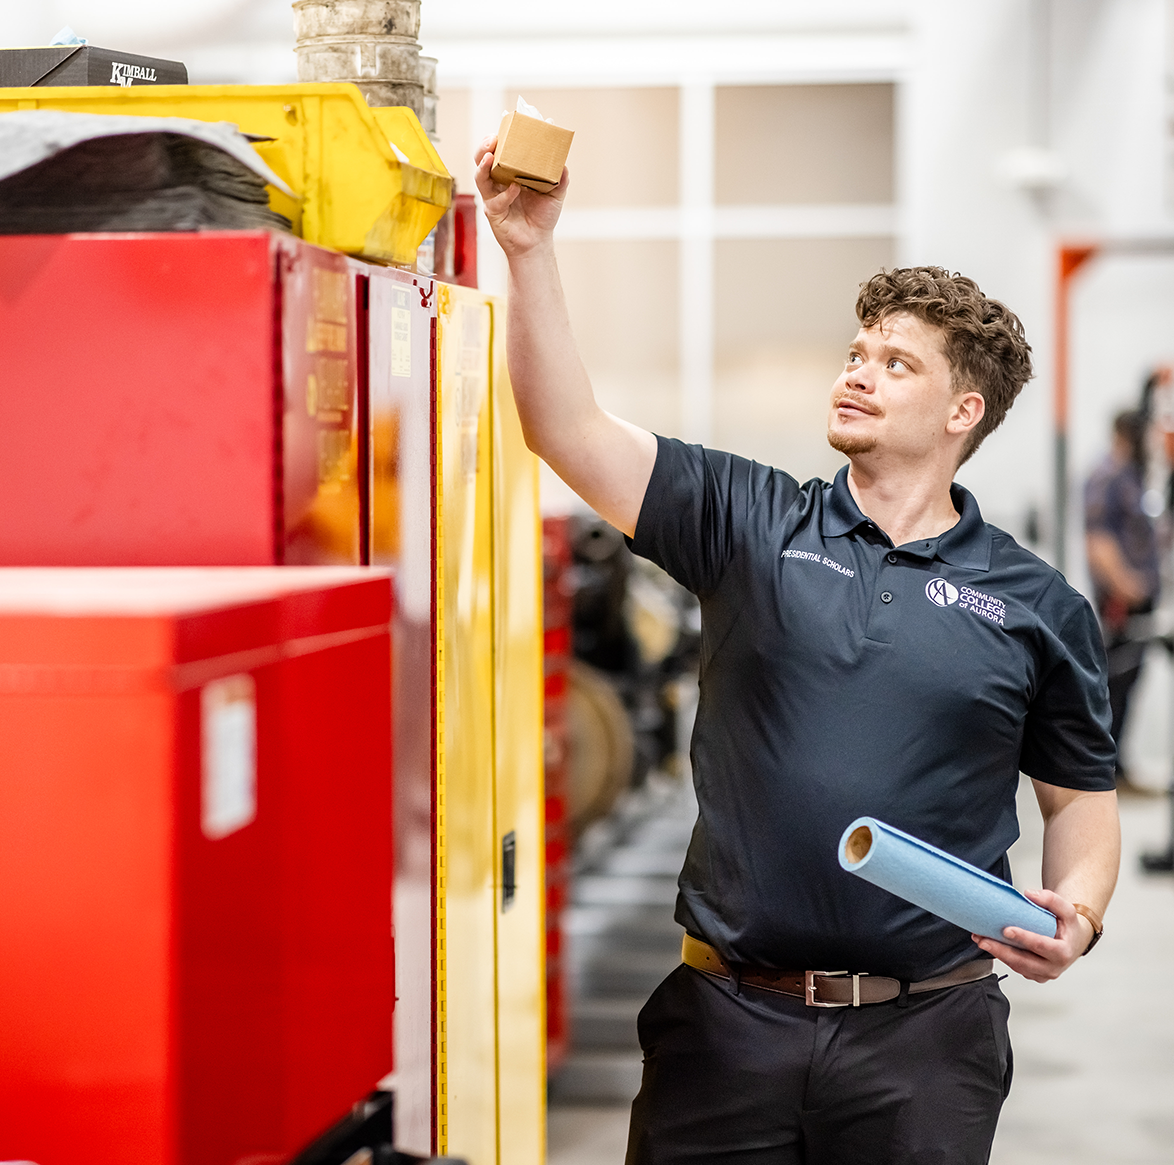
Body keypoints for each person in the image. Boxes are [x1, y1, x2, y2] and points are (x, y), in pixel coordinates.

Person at [474, 138, 1121, 1164]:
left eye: (894, 363)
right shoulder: (748, 519)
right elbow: (564, 428)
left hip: (925, 1036)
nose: (857, 373)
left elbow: (1078, 801)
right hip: (727, 1021)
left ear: (964, 413)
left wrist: (1074, 913)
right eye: (857, 353)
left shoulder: (1037, 604)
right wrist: (527, 249)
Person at [1084, 409, 1160, 790]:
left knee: (1128, 684)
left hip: (1137, 601)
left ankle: (1119, 767)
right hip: (1120, 602)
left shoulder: (1132, 478)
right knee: (1116, 685)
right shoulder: (1108, 477)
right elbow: (1098, 542)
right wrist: (1126, 584)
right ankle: (1106, 772)